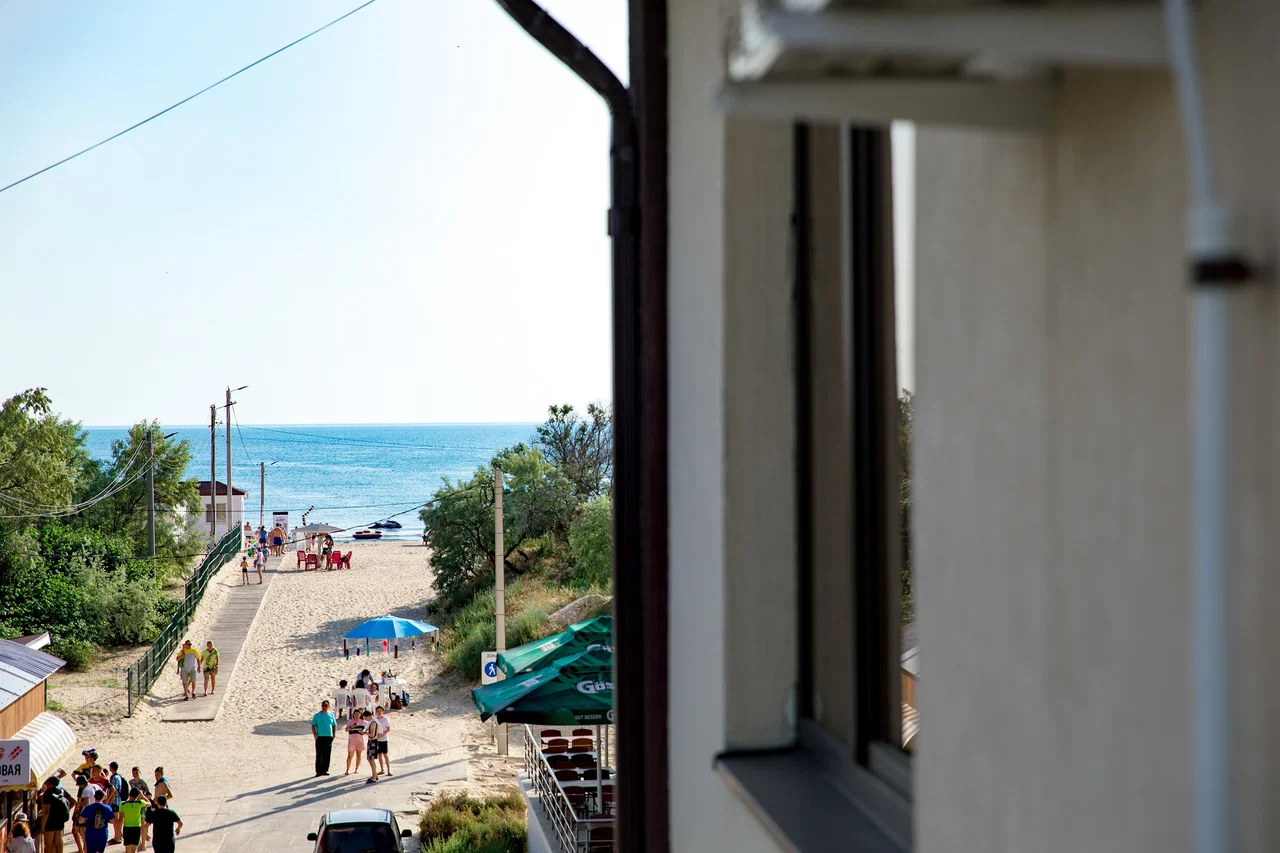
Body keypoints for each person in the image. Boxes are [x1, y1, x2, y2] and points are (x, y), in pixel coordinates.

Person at [40, 775, 74, 853]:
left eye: (47, 782)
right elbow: (73, 802)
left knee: (49, 844)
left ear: (51, 784)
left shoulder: (47, 794)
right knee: (58, 842)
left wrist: (43, 826)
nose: (46, 783)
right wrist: (66, 810)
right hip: (60, 820)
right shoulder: (61, 790)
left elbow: (46, 811)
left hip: (50, 821)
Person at [311, 700, 337, 777]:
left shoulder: (331, 715)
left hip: (328, 737)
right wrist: (315, 735)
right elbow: (313, 725)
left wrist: (334, 734)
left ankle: (324, 770)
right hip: (320, 737)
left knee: (327, 754)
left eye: (325, 705)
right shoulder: (317, 715)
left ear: (328, 706)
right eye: (323, 705)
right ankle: (318, 771)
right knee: (319, 754)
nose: (324, 707)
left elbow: (334, 725)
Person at [117, 788, 146, 853]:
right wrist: (142, 795)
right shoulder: (140, 803)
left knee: (128, 849)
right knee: (134, 850)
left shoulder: (123, 804)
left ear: (129, 794)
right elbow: (149, 803)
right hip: (136, 828)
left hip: (127, 828)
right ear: (137, 795)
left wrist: (119, 831)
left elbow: (120, 819)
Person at [107, 762, 127, 844]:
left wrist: (110, 801)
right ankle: (118, 836)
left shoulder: (115, 777)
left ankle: (117, 837)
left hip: (115, 801)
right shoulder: (118, 776)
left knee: (116, 820)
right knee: (117, 820)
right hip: (118, 801)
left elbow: (114, 790)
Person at [371, 705, 392, 777]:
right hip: (377, 739)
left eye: (380, 711)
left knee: (385, 755)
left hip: (384, 739)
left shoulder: (385, 719)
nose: (379, 712)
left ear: (382, 712)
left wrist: (383, 734)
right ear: (376, 712)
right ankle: (382, 770)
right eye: (378, 711)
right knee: (379, 755)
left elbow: (388, 729)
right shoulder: (374, 720)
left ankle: (389, 770)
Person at [344, 712, 367, 776]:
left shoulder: (363, 722)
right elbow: (346, 730)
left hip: (360, 741)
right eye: (355, 714)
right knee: (350, 756)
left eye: (358, 714)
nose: (356, 715)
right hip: (352, 741)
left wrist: (365, 732)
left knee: (358, 755)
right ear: (353, 715)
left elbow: (369, 728)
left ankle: (356, 769)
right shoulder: (350, 721)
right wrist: (351, 727)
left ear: (360, 715)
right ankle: (347, 770)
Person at [363, 711, 380, 784]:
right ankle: (375, 775)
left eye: (365, 717)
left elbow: (372, 734)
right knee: (369, 759)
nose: (365, 719)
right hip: (371, 742)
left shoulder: (373, 723)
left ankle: (374, 777)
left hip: (373, 742)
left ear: (368, 716)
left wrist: (365, 732)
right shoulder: (372, 722)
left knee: (371, 759)